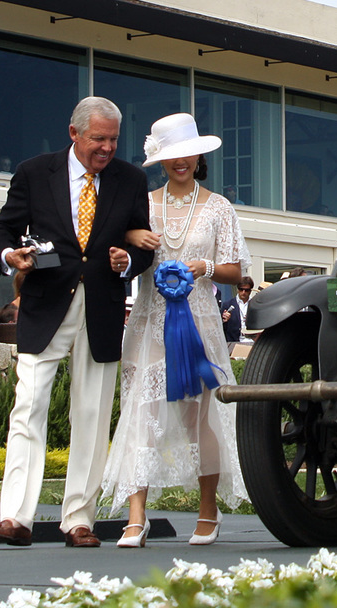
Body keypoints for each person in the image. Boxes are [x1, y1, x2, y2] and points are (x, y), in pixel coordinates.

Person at [0, 96, 151, 549]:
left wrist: (127, 260)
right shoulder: (35, 172)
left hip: (102, 309)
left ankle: (79, 520)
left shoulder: (131, 180)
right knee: (29, 407)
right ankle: (16, 518)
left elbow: (144, 244)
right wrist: (8, 256)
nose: (108, 148)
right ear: (74, 133)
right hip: (44, 305)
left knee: (92, 417)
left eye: (114, 140)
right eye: (99, 139)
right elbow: (3, 229)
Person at [101, 112, 250, 548]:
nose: (180, 162)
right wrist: (131, 237)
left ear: (198, 155)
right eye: (171, 156)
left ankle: (208, 511)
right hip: (149, 323)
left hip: (200, 324)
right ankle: (136, 515)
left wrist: (205, 267)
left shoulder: (219, 206)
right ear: (160, 160)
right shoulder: (142, 203)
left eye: (186, 154)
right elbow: (119, 248)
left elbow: (235, 269)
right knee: (140, 415)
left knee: (200, 416)